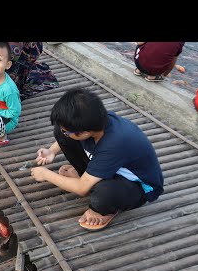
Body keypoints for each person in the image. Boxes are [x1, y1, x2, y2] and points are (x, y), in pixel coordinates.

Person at [30, 87, 164, 231]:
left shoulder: (114, 143)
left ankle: (105, 209)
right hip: (111, 167)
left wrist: (46, 174)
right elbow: (67, 133)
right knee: (61, 133)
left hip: (138, 187)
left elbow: (81, 190)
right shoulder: (97, 122)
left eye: (67, 130)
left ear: (85, 131)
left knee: (103, 194)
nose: (64, 132)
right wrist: (51, 151)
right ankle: (87, 178)